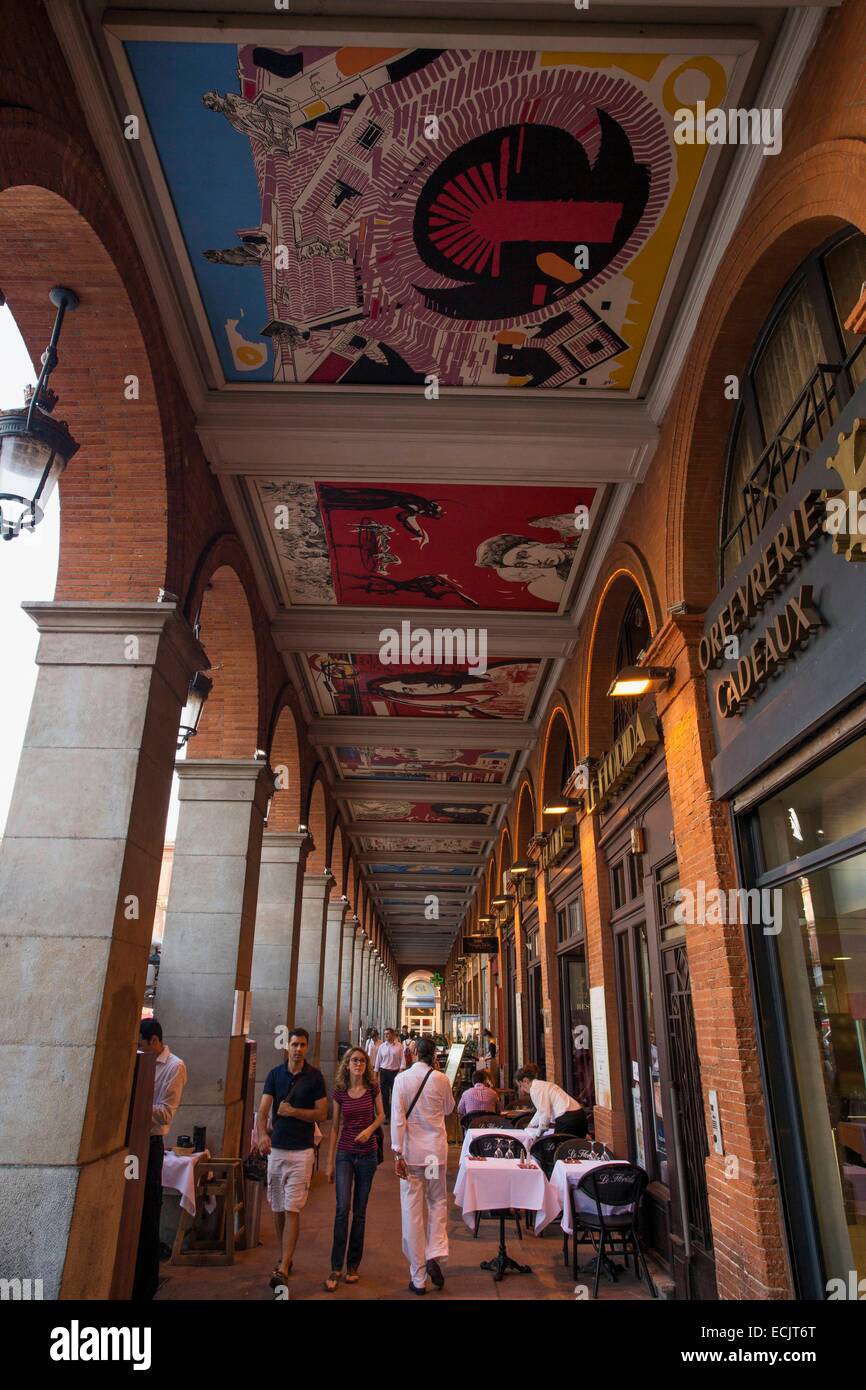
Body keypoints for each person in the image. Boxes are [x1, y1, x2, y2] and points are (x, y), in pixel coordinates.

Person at [257, 1028, 327, 1290]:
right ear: (287, 1046)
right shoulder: (275, 1075)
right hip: (277, 1149)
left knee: (292, 1207)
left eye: (302, 1045)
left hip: (302, 1151)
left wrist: (293, 1111)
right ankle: (285, 1253)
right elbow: (263, 1109)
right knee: (277, 1206)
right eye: (294, 1044)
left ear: (307, 1047)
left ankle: (284, 1264)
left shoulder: (314, 1077)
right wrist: (262, 1134)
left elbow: (321, 1113)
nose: (298, 1049)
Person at [391, 1035, 455, 1295]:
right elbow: (450, 1109)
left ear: (415, 1052)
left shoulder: (402, 1080)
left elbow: (397, 1118)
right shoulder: (441, 1079)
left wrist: (397, 1152)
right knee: (437, 1202)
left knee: (412, 1211)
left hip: (411, 1154)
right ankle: (435, 1253)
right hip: (434, 1154)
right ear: (435, 1056)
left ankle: (418, 1277)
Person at [132, 1018, 187, 1301]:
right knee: (131, 1213)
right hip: (131, 1144)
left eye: (141, 1045)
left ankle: (146, 1283)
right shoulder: (139, 1062)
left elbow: (166, 1114)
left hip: (151, 1144)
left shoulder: (175, 1067)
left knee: (149, 1211)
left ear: (154, 1041)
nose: (138, 1051)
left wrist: (135, 1102)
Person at [323, 1047, 385, 1291]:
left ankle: (353, 1266)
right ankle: (335, 1266)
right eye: (353, 1060)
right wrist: (329, 1162)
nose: (358, 1064)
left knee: (360, 1212)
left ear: (366, 1065)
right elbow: (335, 1127)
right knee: (341, 1209)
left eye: (362, 1060)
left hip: (367, 1155)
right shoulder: (340, 1092)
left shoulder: (372, 1088)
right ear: (346, 1065)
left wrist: (369, 1130)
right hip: (345, 1155)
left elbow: (381, 1115)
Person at [515, 1067, 588, 1138]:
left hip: (567, 1120)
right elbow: (540, 1111)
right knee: (578, 1148)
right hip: (580, 1116)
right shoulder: (542, 1085)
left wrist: (538, 1135)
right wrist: (530, 1125)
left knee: (559, 1148)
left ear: (525, 1081)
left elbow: (545, 1114)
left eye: (520, 1086)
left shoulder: (535, 1089)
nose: (521, 1089)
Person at [374, 1027, 405, 1122]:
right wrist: (375, 1074)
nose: (386, 1036)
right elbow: (378, 1061)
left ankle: (395, 1115)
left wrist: (400, 1071)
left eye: (388, 1034)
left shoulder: (399, 1046)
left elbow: (402, 1060)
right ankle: (386, 1115)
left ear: (392, 1035)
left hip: (395, 1073)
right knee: (385, 1095)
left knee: (395, 1094)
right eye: (385, 1034)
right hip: (384, 1072)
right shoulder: (382, 1047)